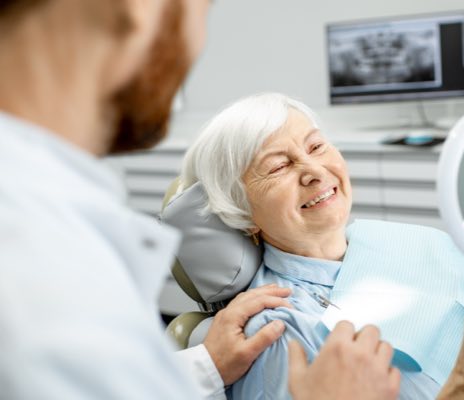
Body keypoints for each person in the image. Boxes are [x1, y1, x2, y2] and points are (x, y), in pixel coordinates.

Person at [0, 1, 399, 399]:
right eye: (203, 9)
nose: (199, 40)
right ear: (141, 8)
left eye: (316, 145)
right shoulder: (277, 331)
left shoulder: (46, 227)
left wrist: (206, 364)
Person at [179, 92, 464, 400]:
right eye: (279, 166)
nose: (313, 170)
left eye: (316, 146)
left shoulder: (412, 241)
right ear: (243, 213)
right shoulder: (274, 331)